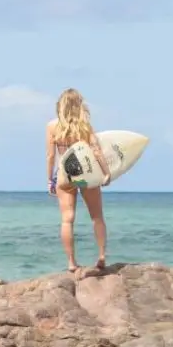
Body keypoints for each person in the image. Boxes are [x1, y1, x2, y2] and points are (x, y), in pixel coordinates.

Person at [45, 88, 110, 274]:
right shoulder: (85, 127)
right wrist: (106, 174)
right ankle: (101, 255)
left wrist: (50, 180)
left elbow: (50, 156)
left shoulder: (52, 127)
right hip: (86, 175)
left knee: (67, 220)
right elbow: (97, 151)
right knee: (97, 216)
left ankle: (72, 263)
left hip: (65, 176)